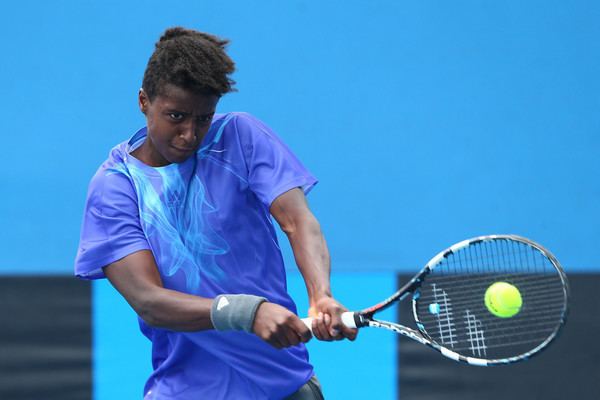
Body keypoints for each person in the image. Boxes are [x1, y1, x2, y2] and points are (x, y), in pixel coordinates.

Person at [74, 26, 356, 399]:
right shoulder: (115, 186)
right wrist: (247, 313)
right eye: (176, 116)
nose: (190, 134)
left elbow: (297, 220)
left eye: (203, 118)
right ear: (143, 101)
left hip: (286, 387)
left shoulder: (241, 136)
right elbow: (148, 300)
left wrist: (321, 294)